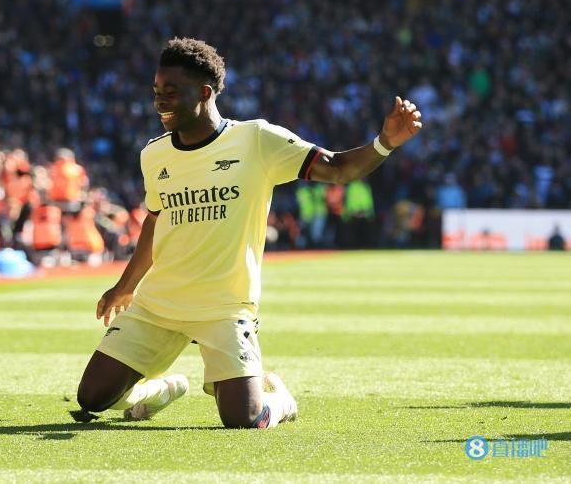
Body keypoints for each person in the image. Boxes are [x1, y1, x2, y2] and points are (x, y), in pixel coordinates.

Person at [75, 38, 422, 429]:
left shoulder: (256, 139)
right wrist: (125, 286)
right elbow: (155, 222)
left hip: (224, 307)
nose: (159, 100)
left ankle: (280, 400)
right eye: (156, 92)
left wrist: (385, 143)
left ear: (204, 93)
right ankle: (159, 390)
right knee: (91, 399)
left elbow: (338, 168)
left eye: (171, 91)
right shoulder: (154, 154)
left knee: (244, 420)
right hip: (159, 303)